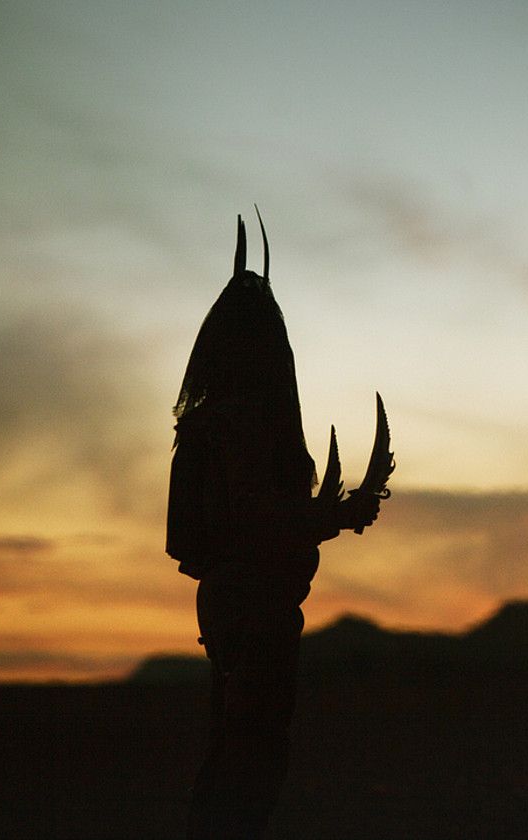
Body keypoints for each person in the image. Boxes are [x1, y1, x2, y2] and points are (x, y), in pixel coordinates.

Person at [166, 213, 383, 840]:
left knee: (236, 753)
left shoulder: (216, 424)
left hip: (236, 606)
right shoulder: (240, 427)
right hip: (254, 608)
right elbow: (258, 523)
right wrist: (332, 515)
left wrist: (325, 517)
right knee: (252, 759)